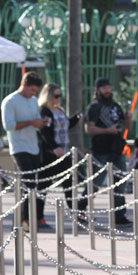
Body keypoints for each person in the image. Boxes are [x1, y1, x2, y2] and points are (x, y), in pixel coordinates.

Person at [2, 72, 49, 231]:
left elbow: (36, 119)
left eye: (36, 91)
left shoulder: (34, 100)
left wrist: (41, 122)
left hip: (33, 146)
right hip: (18, 147)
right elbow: (8, 126)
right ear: (24, 85)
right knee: (27, 181)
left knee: (35, 183)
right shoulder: (10, 101)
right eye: (32, 90)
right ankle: (24, 218)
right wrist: (30, 122)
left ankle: (34, 217)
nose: (33, 94)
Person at [85, 77, 132, 226]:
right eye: (103, 87)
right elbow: (89, 129)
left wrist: (129, 118)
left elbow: (127, 127)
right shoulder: (94, 107)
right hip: (101, 150)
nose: (107, 90)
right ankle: (80, 208)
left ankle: (119, 215)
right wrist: (107, 130)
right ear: (97, 90)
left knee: (120, 183)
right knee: (95, 183)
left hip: (116, 150)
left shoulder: (116, 106)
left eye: (108, 87)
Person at [38, 82, 82, 213]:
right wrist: (55, 147)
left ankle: (75, 211)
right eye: (56, 96)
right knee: (44, 185)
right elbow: (45, 132)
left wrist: (76, 118)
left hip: (64, 151)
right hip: (51, 153)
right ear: (48, 96)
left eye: (60, 96)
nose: (58, 99)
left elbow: (66, 126)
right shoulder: (45, 111)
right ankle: (38, 216)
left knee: (69, 183)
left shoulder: (60, 110)